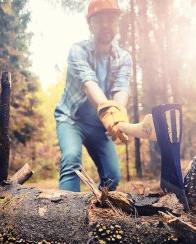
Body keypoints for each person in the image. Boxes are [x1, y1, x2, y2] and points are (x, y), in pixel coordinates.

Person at [54, 0, 133, 192]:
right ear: (90, 24)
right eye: (100, 20)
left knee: (112, 176)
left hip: (99, 125)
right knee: (72, 158)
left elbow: (121, 89)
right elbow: (89, 84)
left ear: (117, 23)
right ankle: (66, 215)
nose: (106, 25)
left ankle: (100, 212)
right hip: (71, 119)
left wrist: (117, 117)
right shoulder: (77, 51)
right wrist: (109, 112)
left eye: (111, 19)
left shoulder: (124, 58)